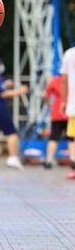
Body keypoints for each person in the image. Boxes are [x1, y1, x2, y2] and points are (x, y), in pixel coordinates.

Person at [45, 74, 69, 169]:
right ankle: (73, 159)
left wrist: (50, 105)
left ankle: (49, 160)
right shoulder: (71, 79)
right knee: (72, 138)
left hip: (57, 112)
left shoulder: (54, 80)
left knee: (53, 138)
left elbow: (47, 96)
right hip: (70, 112)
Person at [59, 47, 75, 179]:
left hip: (73, 104)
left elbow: (64, 80)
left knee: (72, 137)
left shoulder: (69, 54)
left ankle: (74, 167)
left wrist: (63, 101)